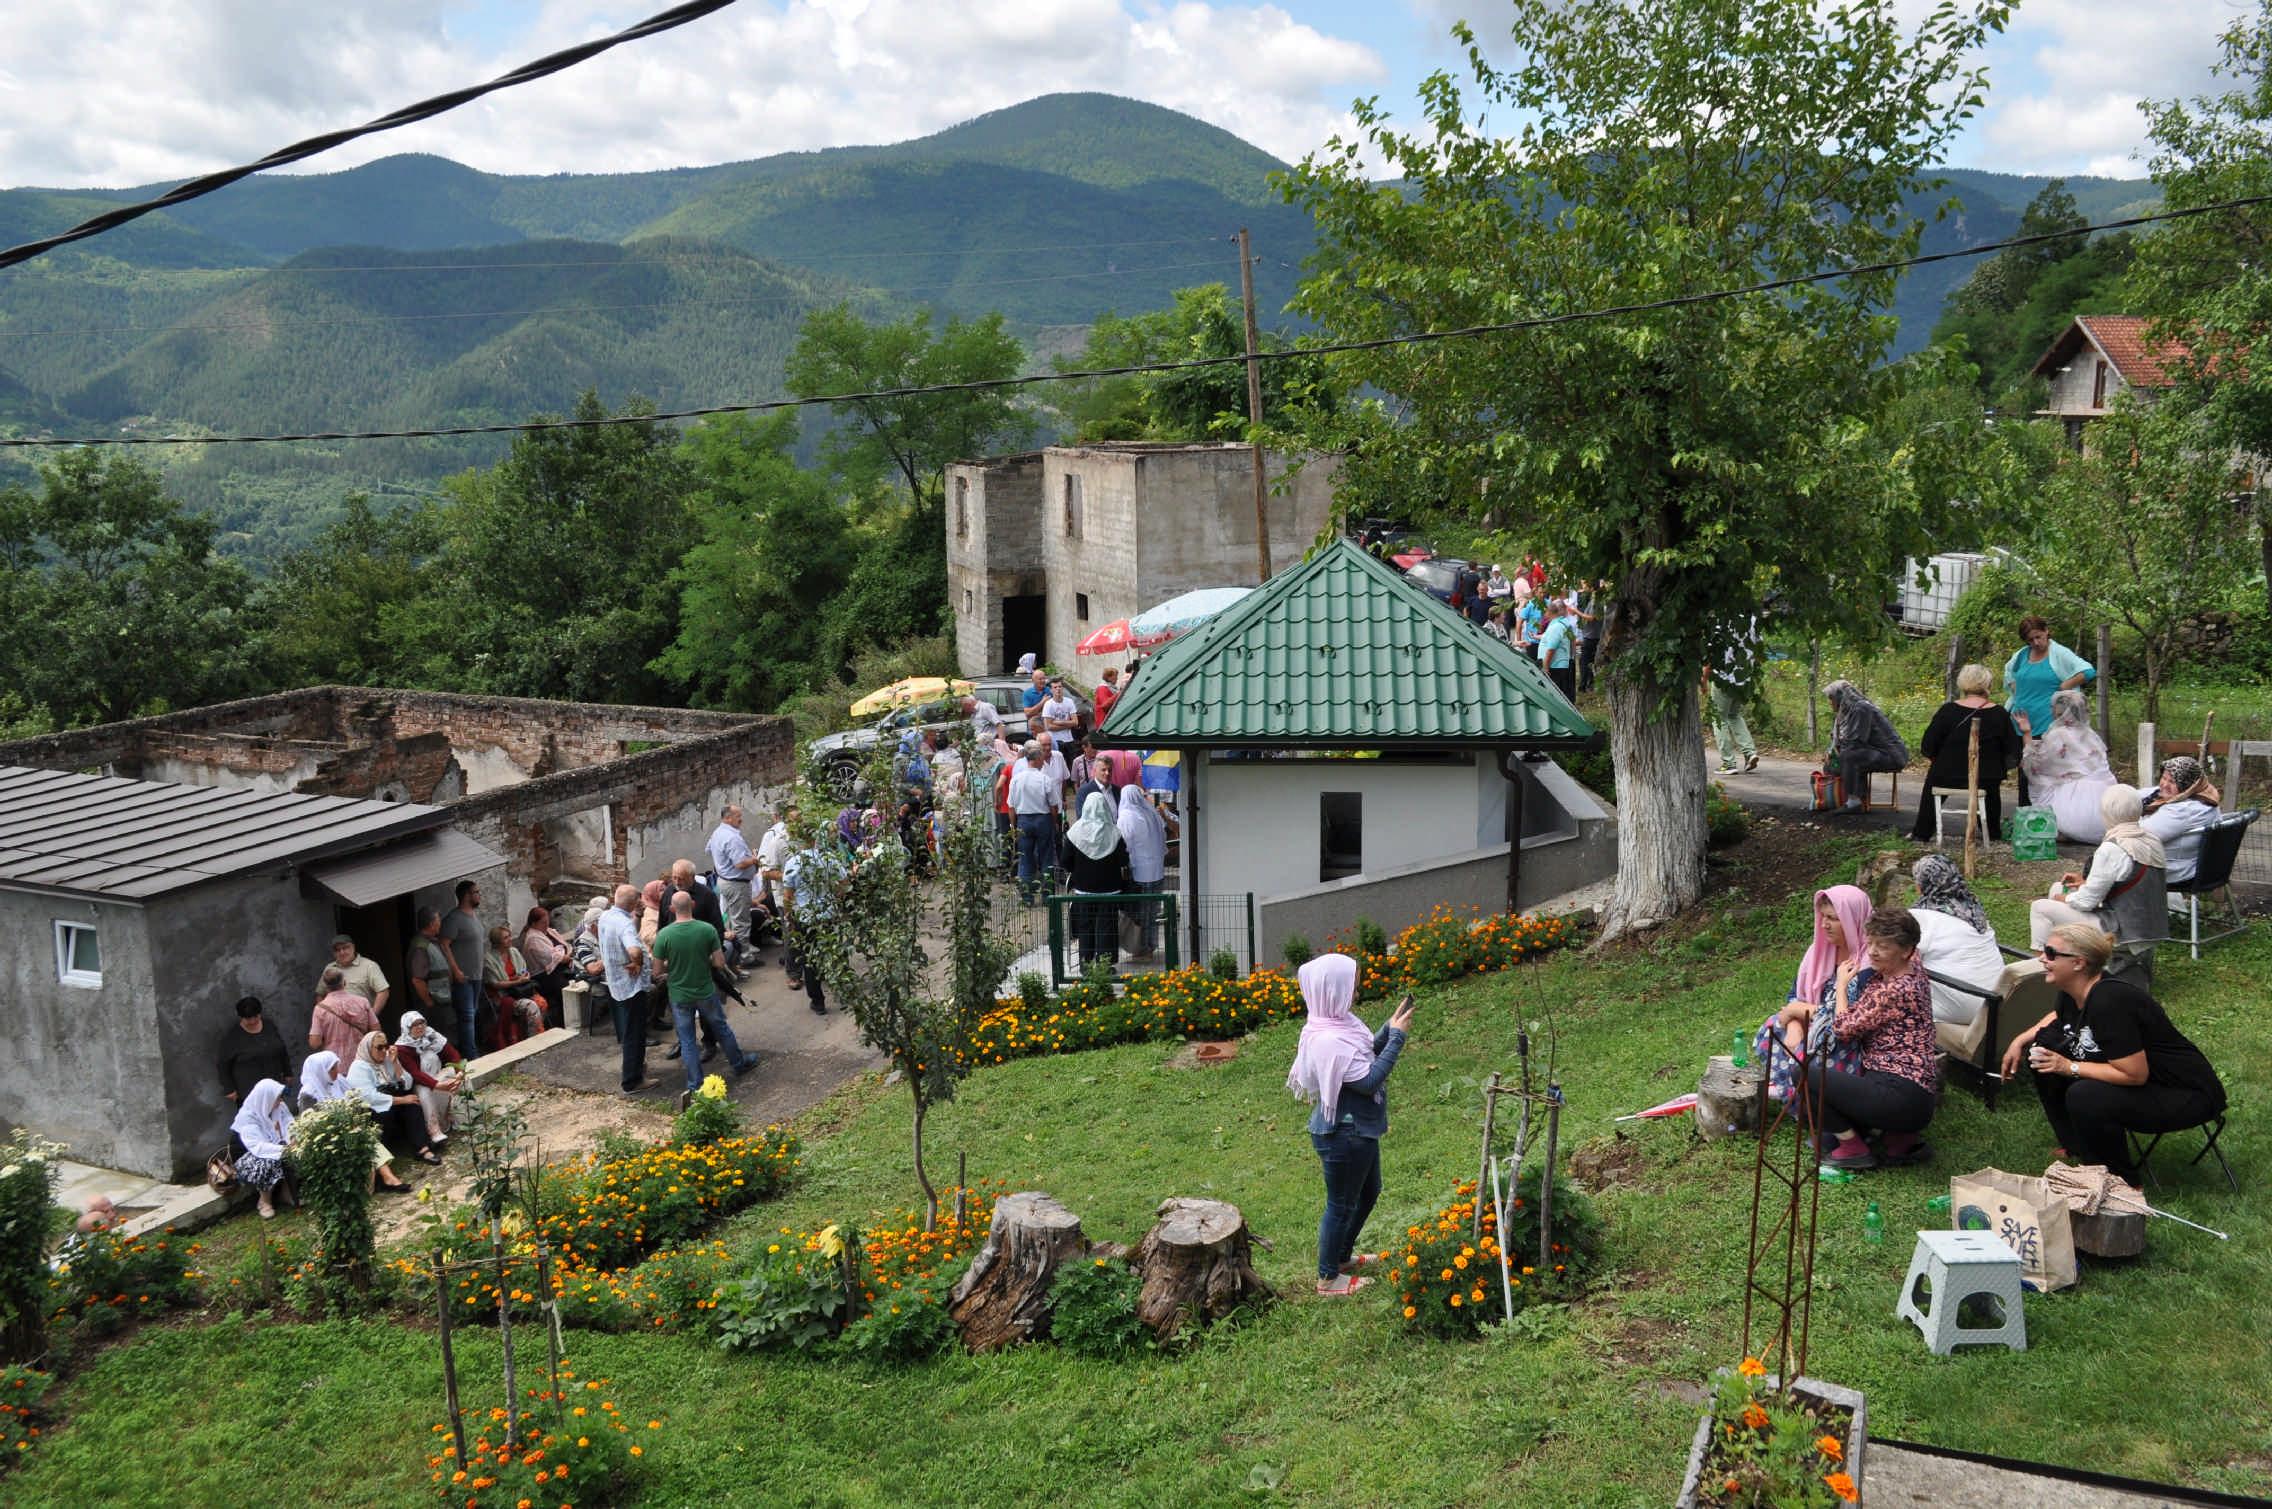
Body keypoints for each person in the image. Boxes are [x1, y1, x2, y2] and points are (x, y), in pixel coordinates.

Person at [2004, 923, 2226, 1182]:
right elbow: (2057, 1017)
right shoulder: (2074, 991)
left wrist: (2068, 1067)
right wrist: (2020, 1040)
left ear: (2078, 963)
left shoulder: (2111, 1002)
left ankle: (2119, 1182)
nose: (2042, 958)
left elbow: (2134, 1075)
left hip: (2184, 1094)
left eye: (2051, 953)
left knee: (2085, 1094)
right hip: (2147, 1083)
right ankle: (2077, 1147)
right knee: (2044, 1055)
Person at [1288, 954, 1415, 1297]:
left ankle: (1342, 1258)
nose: (1356, 988)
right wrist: (1399, 1039)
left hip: (1356, 1131)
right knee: (1340, 1205)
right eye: (1352, 981)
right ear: (1333, 988)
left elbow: (1362, 1055)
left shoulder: (1336, 1023)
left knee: (1369, 1192)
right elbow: (1368, 1080)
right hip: (1344, 1135)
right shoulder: (1327, 1039)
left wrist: (1388, 1028)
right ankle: (1328, 1279)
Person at [1798, 908, 1940, 1171]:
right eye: (1870, 942)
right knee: (1825, 1134)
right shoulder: (1914, 971)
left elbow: (1842, 1028)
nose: (1872, 951)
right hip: (1917, 1092)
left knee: (1805, 1074)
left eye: (1883, 946)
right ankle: (1899, 1140)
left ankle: (1854, 1149)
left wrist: (1841, 985)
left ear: (1907, 950)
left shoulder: (1894, 990)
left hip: (1899, 1095)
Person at [1751, 885, 1873, 1100]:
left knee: (1818, 1056)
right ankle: (1788, 1084)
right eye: (1823, 916)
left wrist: (1801, 1010)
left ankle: (1791, 1091)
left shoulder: (1868, 964)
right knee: (1772, 1028)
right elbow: (1794, 996)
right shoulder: (1819, 951)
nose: (1824, 924)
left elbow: (1851, 1024)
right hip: (1813, 1025)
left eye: (1833, 918)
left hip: (1843, 1041)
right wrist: (1794, 1025)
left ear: (1854, 920)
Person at [652, 890, 760, 1105]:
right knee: (721, 1028)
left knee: (688, 1040)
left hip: (679, 994)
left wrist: (672, 964)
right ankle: (738, 1064)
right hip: (704, 990)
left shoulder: (664, 935)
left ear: (672, 909)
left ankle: (695, 1085)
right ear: (692, 904)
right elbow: (720, 963)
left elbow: (657, 971)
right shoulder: (707, 929)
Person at [2029, 785, 2165, 948]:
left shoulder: (2113, 847)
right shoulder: (2151, 839)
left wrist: (2064, 899)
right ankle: (2066, 955)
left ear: (2107, 812)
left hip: (2123, 931)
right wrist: (2085, 883)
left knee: (2040, 908)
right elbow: (2129, 880)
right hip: (2151, 929)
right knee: (2058, 887)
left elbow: (2086, 902)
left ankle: (2043, 966)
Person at [1910, 663, 2022, 843]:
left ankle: (1921, 833)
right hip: (1985, 776)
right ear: (1987, 684)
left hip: (1948, 774)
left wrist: (1940, 759)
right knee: (1991, 790)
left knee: (1933, 782)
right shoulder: (1999, 713)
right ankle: (1992, 833)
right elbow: (2012, 750)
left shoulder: (1948, 710)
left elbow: (1928, 745)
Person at [2004, 616, 2097, 806]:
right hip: (2019, 722)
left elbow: (2087, 671)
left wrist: (2066, 685)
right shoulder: (2022, 655)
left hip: (2046, 722)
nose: (2036, 643)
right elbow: (2009, 673)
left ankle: (2049, 813)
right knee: (2024, 771)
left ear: (2046, 631)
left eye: (2038, 637)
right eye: (2030, 640)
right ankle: (2025, 813)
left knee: (2044, 771)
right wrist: (2015, 687)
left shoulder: (2059, 654)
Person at [1908, 856, 2004, 1027]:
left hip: (1964, 1006)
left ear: (1921, 885)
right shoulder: (1973, 910)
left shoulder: (1920, 918)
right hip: (1996, 1002)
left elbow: (1894, 958)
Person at [2020, 687, 2120, 842]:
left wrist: (2026, 734)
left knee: (2040, 781)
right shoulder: (2091, 735)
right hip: (2107, 813)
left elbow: (2035, 763)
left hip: (2075, 811)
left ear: (2060, 712)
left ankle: (2064, 827)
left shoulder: (2058, 734)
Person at [344, 1030, 433, 1178]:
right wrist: (401, 1100)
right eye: (379, 1047)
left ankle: (422, 1148)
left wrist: (395, 1062)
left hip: (391, 1099)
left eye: (386, 1046)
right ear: (368, 1048)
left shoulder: (387, 1060)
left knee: (412, 1104)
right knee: (390, 1112)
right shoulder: (359, 1067)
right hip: (372, 1108)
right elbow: (368, 1096)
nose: (384, 1051)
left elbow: (407, 1083)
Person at [1063, 791, 1130, 971]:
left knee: (1086, 925)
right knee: (1106, 926)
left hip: (1083, 889)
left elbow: (1065, 861)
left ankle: (1085, 964)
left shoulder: (1074, 832)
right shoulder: (1114, 833)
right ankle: (1105, 965)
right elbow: (1124, 860)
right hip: (1110, 889)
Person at [598, 884, 654, 1093]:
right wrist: (638, 962)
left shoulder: (606, 917)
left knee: (627, 1030)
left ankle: (637, 1068)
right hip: (631, 986)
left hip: (615, 982)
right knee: (635, 1033)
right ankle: (632, 1080)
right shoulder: (624, 924)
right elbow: (633, 949)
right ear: (631, 903)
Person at [1821, 680, 1909, 813]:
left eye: (1831, 698)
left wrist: (1838, 752)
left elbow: (1856, 740)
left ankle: (1854, 801)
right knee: (1831, 764)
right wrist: (1831, 752)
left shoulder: (1861, 708)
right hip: (1874, 752)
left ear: (1840, 697)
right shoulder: (1846, 711)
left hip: (1892, 755)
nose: (1830, 702)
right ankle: (1848, 799)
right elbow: (1839, 738)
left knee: (1849, 756)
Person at [2138, 754, 2222, 886]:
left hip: (2172, 870)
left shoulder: (2184, 809)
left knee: (2112, 858)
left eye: (2172, 781)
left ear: (2186, 784)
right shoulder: (2202, 794)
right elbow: (2146, 792)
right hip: (2191, 864)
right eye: (2163, 778)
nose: (2164, 784)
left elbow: (2140, 836)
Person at [779, 841, 840, 1016]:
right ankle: (842, 988)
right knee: (831, 951)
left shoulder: (793, 863)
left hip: (806, 918)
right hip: (827, 915)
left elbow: (788, 895)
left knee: (810, 960)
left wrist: (789, 916)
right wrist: (835, 899)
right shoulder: (828, 859)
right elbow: (843, 881)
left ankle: (818, 1001)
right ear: (814, 840)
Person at [1117, 782, 1172, 959]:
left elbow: (1124, 844)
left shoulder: (1126, 816)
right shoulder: (1151, 812)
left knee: (1140, 912)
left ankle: (1141, 947)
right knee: (1153, 911)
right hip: (1157, 870)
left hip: (1140, 872)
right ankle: (1151, 945)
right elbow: (1163, 837)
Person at [228, 1079, 297, 1219]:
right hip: (247, 1154)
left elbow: (289, 1124)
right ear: (266, 1099)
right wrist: (284, 1149)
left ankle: (286, 1193)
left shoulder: (279, 1107)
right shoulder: (248, 1117)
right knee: (268, 1162)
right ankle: (264, 1201)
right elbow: (257, 1147)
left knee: (292, 1152)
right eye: (277, 1098)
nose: (280, 1101)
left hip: (272, 1145)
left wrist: (292, 1140)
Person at [393, 1011, 464, 1146]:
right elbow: (415, 1073)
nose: (419, 1027)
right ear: (406, 1028)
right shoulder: (402, 1048)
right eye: (414, 1025)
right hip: (419, 1084)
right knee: (424, 1090)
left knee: (457, 1077)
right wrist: (436, 1085)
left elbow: (453, 1054)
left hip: (436, 1076)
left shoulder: (431, 1035)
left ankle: (460, 1117)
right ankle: (434, 1130)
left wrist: (459, 1072)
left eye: (421, 1023)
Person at [437, 878, 489, 1055]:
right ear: (467, 895)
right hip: (463, 977)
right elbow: (444, 944)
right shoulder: (454, 918)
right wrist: (456, 970)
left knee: (473, 1014)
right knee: (466, 1016)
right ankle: (470, 1055)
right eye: (476, 892)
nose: (479, 895)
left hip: (477, 975)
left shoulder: (474, 916)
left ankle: (472, 1049)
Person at [1008, 740, 1063, 905]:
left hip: (1023, 820)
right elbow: (1053, 805)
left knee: (1025, 858)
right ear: (1038, 758)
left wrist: (1013, 825)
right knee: (1046, 858)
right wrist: (1054, 822)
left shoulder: (1016, 780)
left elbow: (1011, 806)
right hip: (1043, 819)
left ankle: (1027, 897)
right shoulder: (1045, 779)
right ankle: (1047, 896)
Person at [1705, 620, 1760, 776]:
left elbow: (1710, 656)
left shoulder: (1720, 624)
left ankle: (1728, 763)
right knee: (1733, 715)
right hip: (1744, 679)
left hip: (1724, 678)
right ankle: (1750, 753)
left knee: (1718, 719)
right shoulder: (1752, 621)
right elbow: (1757, 650)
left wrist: (1703, 680)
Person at [216, 995, 291, 1108]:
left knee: (277, 1116)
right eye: (247, 1018)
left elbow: (281, 1050)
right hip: (249, 1089)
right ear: (241, 1017)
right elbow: (223, 1064)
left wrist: (287, 1072)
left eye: (255, 1017)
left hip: (273, 1082)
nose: (252, 1021)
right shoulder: (233, 1037)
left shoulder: (269, 1026)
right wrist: (229, 1089)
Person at [706, 803, 760, 956]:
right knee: (741, 921)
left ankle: (736, 949)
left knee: (730, 919)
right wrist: (754, 859)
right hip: (736, 883)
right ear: (728, 818)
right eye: (738, 817)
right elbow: (740, 863)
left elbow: (709, 849)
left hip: (724, 880)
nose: (741, 820)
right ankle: (744, 955)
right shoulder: (731, 837)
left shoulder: (717, 833)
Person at [483, 925, 547, 1048]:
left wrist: (525, 976)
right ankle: (535, 1041)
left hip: (521, 991)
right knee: (531, 1006)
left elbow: (524, 970)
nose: (510, 939)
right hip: (504, 995)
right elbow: (495, 983)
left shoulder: (514, 952)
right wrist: (516, 982)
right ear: (498, 942)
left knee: (541, 1002)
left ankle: (533, 1033)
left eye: (509, 936)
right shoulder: (489, 959)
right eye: (506, 938)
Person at [308, 967, 380, 1065]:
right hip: (362, 1061)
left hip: (335, 1066)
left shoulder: (320, 1009)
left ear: (325, 986)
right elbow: (376, 1031)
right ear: (344, 983)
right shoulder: (362, 1002)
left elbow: (315, 1043)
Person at [406, 907, 455, 1042]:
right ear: (432, 924)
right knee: (437, 1039)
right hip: (432, 1005)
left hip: (440, 1001)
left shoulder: (431, 942)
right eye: (438, 921)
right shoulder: (421, 947)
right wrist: (429, 1003)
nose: (440, 924)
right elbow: (417, 979)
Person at [520, 906, 573, 1025]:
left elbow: (564, 947)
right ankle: (566, 1020)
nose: (546, 924)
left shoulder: (549, 931)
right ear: (534, 923)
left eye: (547, 921)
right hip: (544, 975)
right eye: (543, 922)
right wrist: (562, 955)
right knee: (564, 988)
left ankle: (575, 1015)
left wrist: (563, 953)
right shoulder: (533, 938)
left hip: (558, 968)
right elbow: (552, 957)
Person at [320, 934, 389, 1021]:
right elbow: (320, 994)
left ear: (353, 947)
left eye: (345, 948)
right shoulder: (330, 968)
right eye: (337, 950)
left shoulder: (369, 966)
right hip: (336, 1024)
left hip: (361, 1022)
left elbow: (383, 992)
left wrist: (372, 1017)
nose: (342, 952)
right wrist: (325, 1017)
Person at [1536, 595, 1581, 701]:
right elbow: (1571, 641)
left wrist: (1545, 667)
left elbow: (1551, 648)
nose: (1545, 614)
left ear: (1551, 613)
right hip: (1560, 664)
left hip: (1554, 666)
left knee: (1556, 695)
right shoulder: (1562, 623)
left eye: (1546, 612)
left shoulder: (1557, 626)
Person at [1572, 581, 1604, 693]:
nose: (1583, 587)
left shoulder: (1596, 601)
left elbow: (1591, 617)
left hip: (1592, 636)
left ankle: (1583, 686)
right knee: (1589, 661)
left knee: (1584, 662)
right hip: (1592, 635)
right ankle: (1590, 684)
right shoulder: (1594, 599)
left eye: (1585, 584)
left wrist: (1576, 612)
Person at [1039, 677, 1081, 754]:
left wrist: (1058, 722)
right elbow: (1048, 727)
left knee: (1071, 763)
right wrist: (1068, 724)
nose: (1058, 689)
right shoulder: (1048, 704)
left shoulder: (1069, 701)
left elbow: (1075, 722)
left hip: (1069, 739)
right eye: (1055, 687)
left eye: (1060, 687)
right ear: (1051, 690)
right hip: (1055, 740)